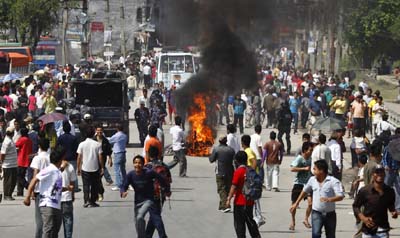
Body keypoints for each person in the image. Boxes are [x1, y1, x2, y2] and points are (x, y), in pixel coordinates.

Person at [24, 146, 70, 238]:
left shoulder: (57, 171)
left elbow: (56, 188)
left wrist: (68, 188)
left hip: (56, 205)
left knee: (54, 231)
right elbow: (34, 179)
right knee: (48, 230)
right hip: (47, 205)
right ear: (61, 159)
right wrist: (28, 196)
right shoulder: (49, 169)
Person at [290, 160, 345, 238]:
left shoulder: (333, 181)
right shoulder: (312, 180)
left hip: (330, 214)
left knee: (331, 236)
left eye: (315, 169)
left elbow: (341, 196)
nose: (313, 170)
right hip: (316, 213)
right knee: (316, 235)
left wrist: (329, 199)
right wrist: (296, 203)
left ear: (321, 170)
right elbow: (304, 191)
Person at [120, 155, 169, 238]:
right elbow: (123, 185)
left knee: (140, 217)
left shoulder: (149, 173)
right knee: (138, 223)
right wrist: (123, 192)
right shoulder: (131, 175)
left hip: (149, 200)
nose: (137, 165)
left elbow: (161, 179)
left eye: (139, 163)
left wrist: (166, 189)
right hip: (138, 201)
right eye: (135, 163)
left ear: (143, 165)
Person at [353, 165, 398, 238]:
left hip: (383, 230)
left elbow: (391, 205)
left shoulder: (389, 191)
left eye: (382, 172)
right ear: (373, 175)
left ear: (385, 174)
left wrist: (393, 212)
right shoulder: (365, 191)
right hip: (368, 232)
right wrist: (363, 218)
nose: (380, 174)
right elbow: (355, 206)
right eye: (377, 172)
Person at [226, 151, 261, 238]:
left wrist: (228, 199)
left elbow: (233, 186)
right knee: (250, 222)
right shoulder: (250, 170)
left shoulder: (239, 171)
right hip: (250, 201)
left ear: (237, 161)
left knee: (240, 225)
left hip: (239, 203)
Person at [144, 146, 172, 238]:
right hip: (161, 194)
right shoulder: (164, 165)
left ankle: (163, 235)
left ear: (148, 154)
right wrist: (167, 191)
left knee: (155, 216)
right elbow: (168, 180)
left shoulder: (147, 166)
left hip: (150, 195)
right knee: (154, 216)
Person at [76, 126, 104, 207]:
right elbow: (100, 157)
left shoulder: (82, 144)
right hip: (95, 168)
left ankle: (86, 201)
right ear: (93, 134)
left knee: (86, 185)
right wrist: (102, 167)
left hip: (85, 168)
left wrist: (78, 168)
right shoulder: (97, 144)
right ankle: (92, 201)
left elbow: (79, 157)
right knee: (94, 186)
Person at [289, 142, 313, 231]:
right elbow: (292, 168)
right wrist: (303, 169)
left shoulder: (310, 159)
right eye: (310, 150)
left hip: (308, 184)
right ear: (305, 150)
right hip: (298, 184)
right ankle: (293, 221)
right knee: (294, 204)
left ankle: (306, 219)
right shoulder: (299, 159)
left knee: (310, 203)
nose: (311, 152)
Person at [30, 138, 51, 238]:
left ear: (39, 146)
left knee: (39, 219)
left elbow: (35, 173)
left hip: (39, 190)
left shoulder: (37, 158)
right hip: (50, 190)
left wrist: (33, 189)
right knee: (48, 219)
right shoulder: (51, 157)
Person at [209, 136, 235, 213]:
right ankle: (221, 205)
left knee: (221, 189)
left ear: (220, 141)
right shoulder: (231, 150)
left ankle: (225, 206)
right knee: (226, 189)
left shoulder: (216, 149)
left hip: (220, 172)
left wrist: (210, 154)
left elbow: (211, 159)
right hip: (230, 172)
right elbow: (235, 160)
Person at [56, 121, 79, 192]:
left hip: (63, 158)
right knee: (73, 173)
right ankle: (74, 187)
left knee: (63, 173)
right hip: (72, 158)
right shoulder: (74, 138)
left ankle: (63, 186)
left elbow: (58, 148)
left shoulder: (60, 138)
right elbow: (76, 149)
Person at [93, 125, 113, 198]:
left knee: (98, 178)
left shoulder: (105, 140)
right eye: (98, 130)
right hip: (94, 161)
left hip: (102, 162)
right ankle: (99, 192)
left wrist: (110, 159)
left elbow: (109, 150)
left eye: (100, 130)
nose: (99, 132)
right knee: (96, 179)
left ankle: (99, 193)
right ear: (96, 131)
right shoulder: (93, 140)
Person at [60, 157, 77, 238]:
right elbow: (72, 183)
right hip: (67, 198)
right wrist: (72, 195)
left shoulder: (52, 166)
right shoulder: (70, 166)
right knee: (68, 222)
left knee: (54, 225)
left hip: (55, 200)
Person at [109, 124, 128, 191]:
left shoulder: (117, 135)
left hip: (117, 153)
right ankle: (126, 183)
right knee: (123, 169)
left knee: (117, 170)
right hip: (123, 153)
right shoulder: (125, 135)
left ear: (117, 128)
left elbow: (110, 140)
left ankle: (118, 185)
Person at [1, 126, 18, 201]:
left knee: (13, 180)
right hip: (8, 165)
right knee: (8, 181)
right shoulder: (7, 141)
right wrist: (1, 163)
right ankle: (7, 195)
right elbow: (2, 153)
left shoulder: (10, 140)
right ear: (12, 133)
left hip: (13, 164)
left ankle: (9, 194)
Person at [15, 127, 33, 196]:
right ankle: (20, 192)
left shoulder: (22, 139)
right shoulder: (29, 140)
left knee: (19, 176)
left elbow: (16, 144)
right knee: (22, 175)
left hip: (21, 160)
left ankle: (28, 186)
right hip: (27, 160)